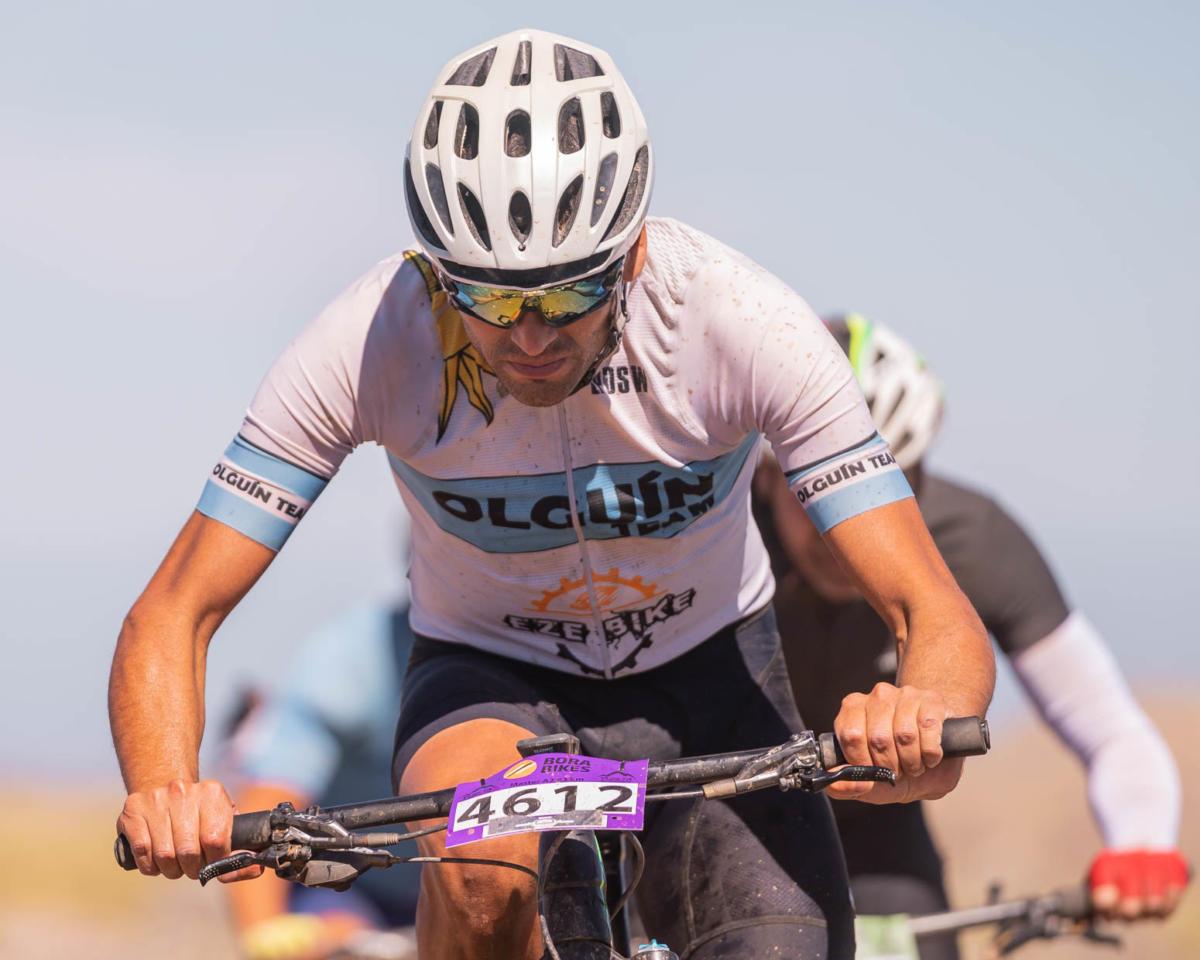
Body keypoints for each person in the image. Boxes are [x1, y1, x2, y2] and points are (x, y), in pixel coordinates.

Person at [109, 30, 996, 960]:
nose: (530, 338)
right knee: (483, 875)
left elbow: (929, 606)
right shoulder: (371, 339)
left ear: (632, 249)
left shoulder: (741, 322)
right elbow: (173, 611)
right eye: (490, 301)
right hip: (492, 680)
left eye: (570, 295)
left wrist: (923, 713)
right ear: (439, 269)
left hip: (712, 678)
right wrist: (165, 785)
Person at [753, 313, 1189, 960]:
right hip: (717, 808)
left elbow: (1109, 727)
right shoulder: (715, 537)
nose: (839, 531)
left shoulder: (974, 540)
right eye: (809, 495)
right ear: (766, 475)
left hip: (876, 830)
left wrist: (1142, 844)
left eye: (878, 488)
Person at [220, 605, 420, 960]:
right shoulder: (351, 658)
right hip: (344, 888)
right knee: (338, 938)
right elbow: (269, 800)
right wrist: (262, 928)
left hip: (473, 885)